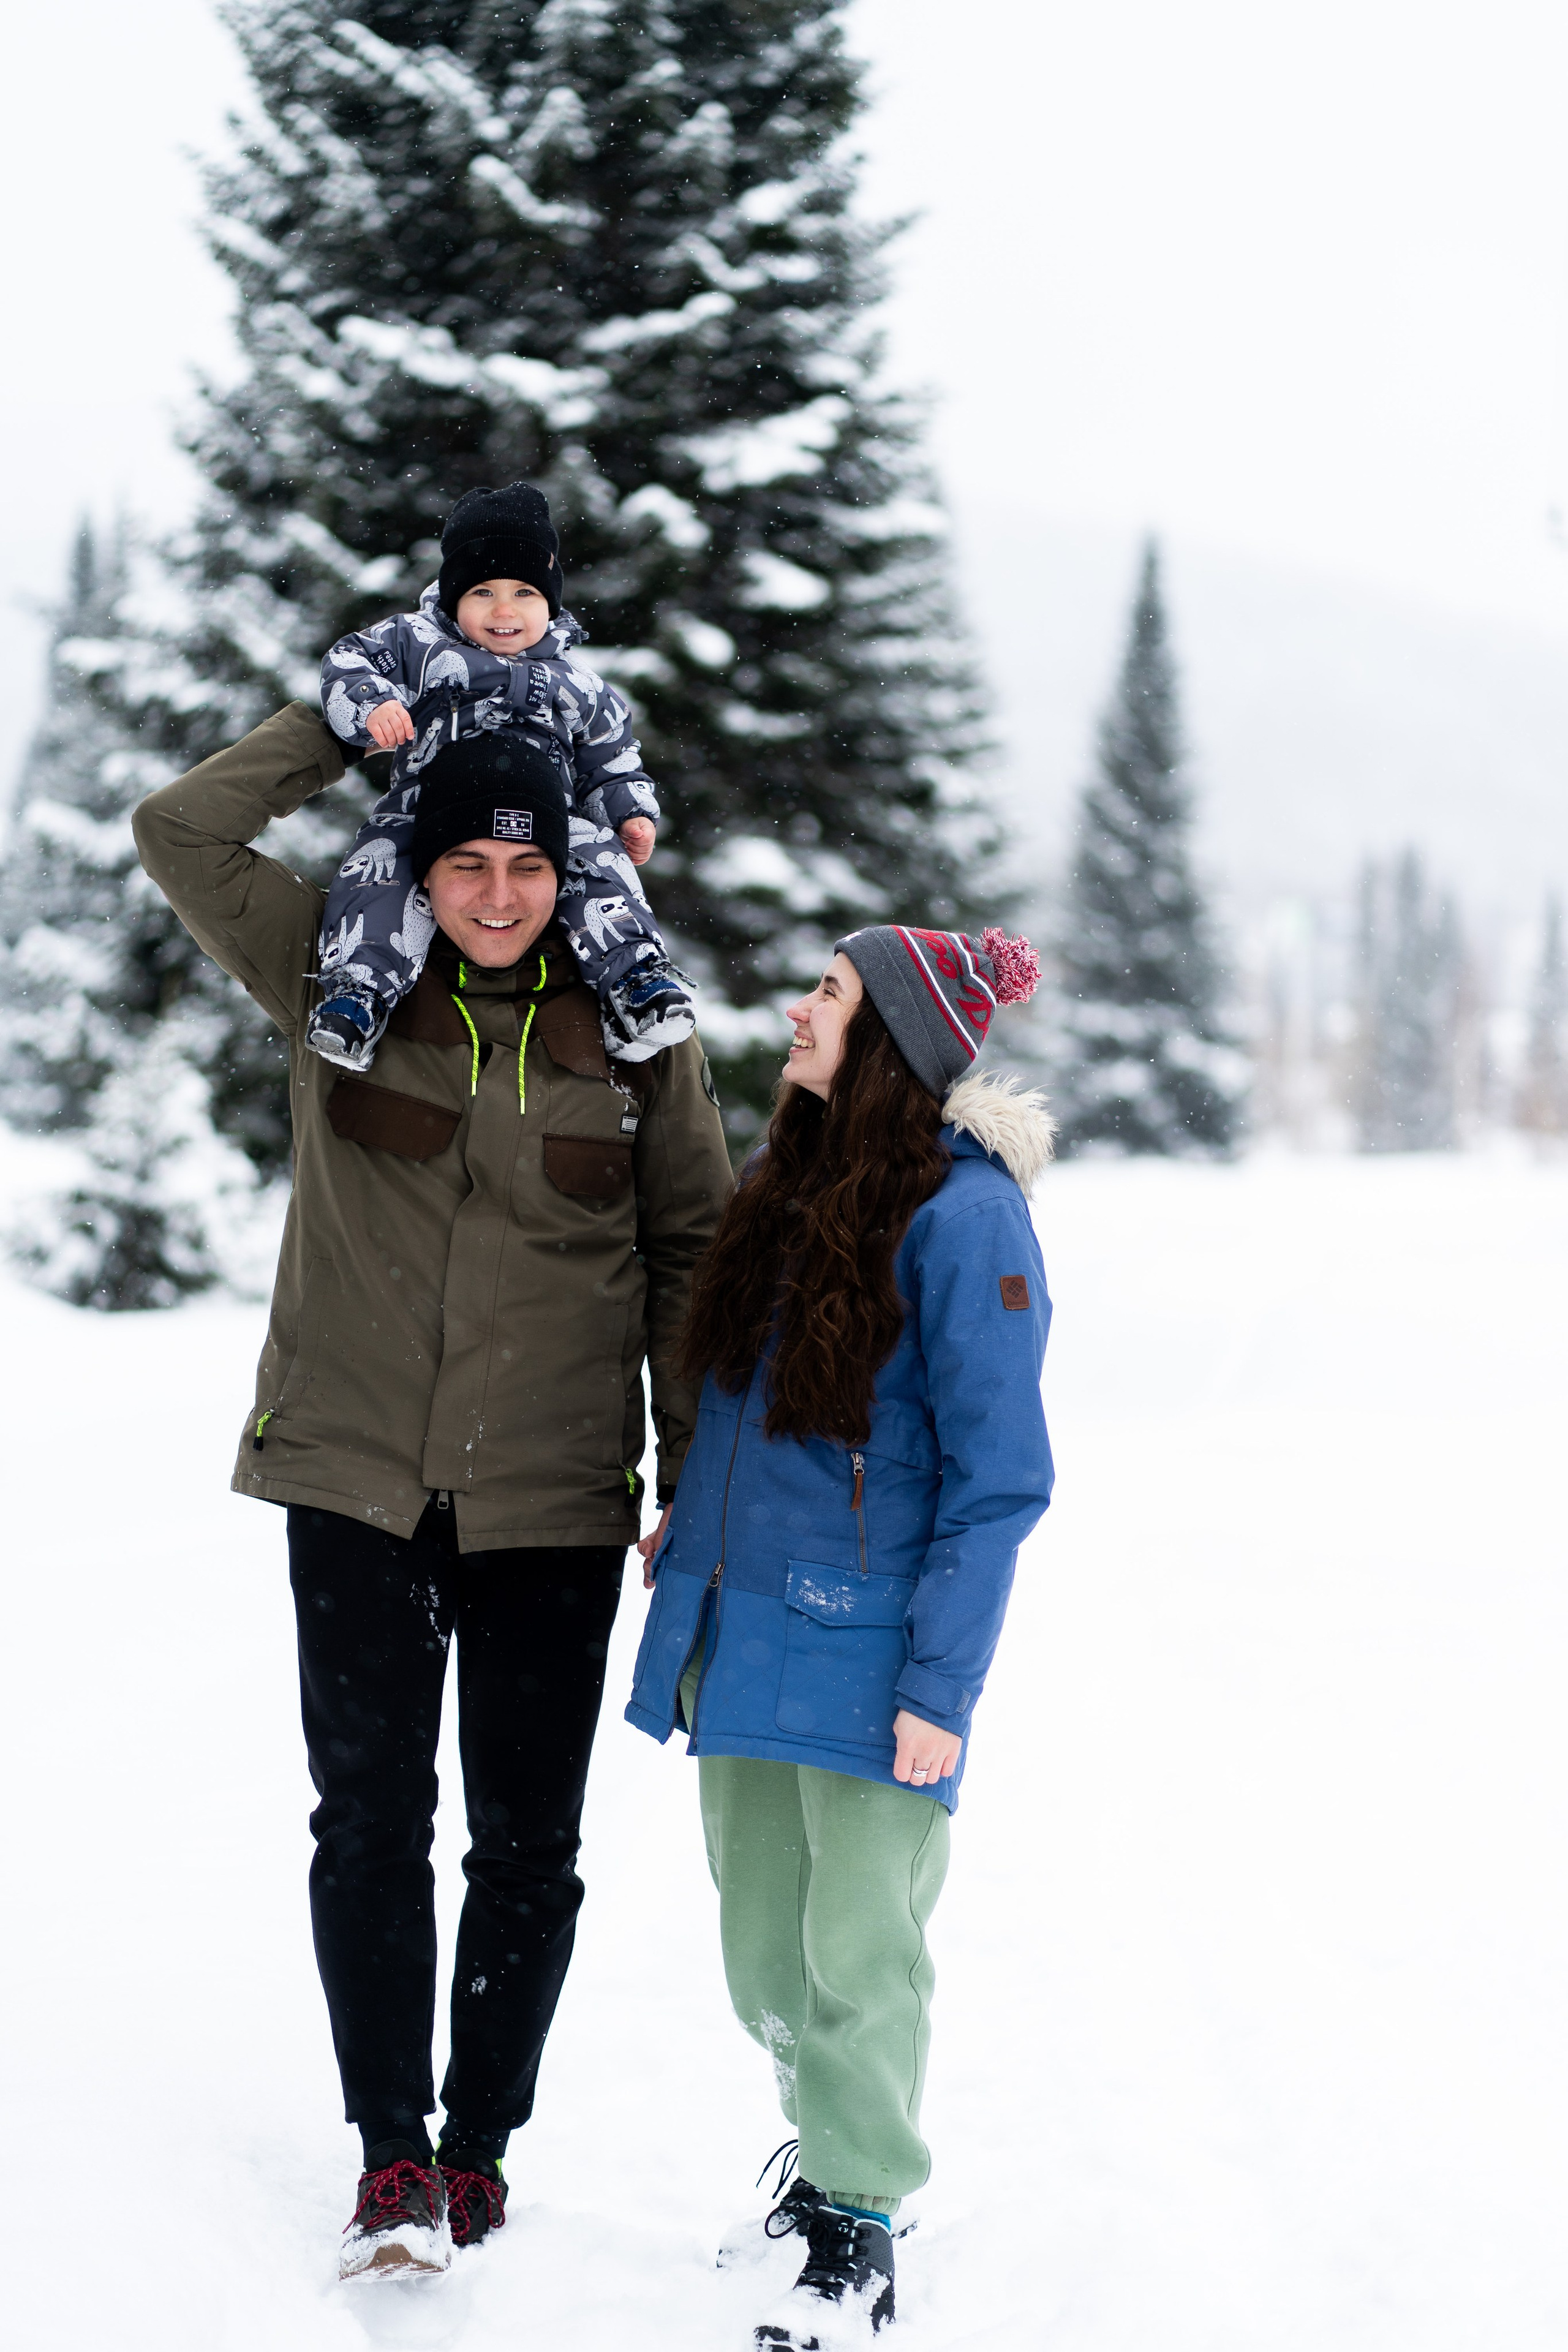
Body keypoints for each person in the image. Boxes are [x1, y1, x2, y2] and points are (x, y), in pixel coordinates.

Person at [132, 701, 731, 2280]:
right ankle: (389, 2149)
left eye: (524, 861)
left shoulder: (641, 1024)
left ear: (566, 866)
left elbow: (692, 1260)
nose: (491, 892)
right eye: (460, 858)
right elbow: (179, 833)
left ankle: (479, 2150)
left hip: (553, 1498)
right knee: (371, 1823)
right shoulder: (338, 974)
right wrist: (342, 727)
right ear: (420, 860)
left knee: (529, 1846)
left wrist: (698, 1481)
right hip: (356, 1479)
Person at [624, 922, 1057, 2346]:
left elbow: (999, 1480)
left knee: (858, 1952)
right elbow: (754, 1424)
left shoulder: (966, 1215)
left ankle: (856, 2216)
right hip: (743, 1631)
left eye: (830, 993)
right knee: (764, 1954)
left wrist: (941, 1685)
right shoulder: (782, 1181)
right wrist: (688, 1533)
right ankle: (817, 2164)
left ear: (890, 1042)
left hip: (871, 1660)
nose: (800, 1011)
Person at [311, 478, 693, 1072]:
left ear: (551, 603)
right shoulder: (420, 644)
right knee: (382, 868)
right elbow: (348, 660)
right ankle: (358, 992)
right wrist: (373, 706)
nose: (504, 610)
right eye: (483, 591)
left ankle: (635, 977)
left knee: (598, 862)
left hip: (545, 811)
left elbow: (611, 756)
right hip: (429, 801)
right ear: (453, 597)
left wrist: (629, 811)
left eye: (524, 592)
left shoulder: (580, 684)